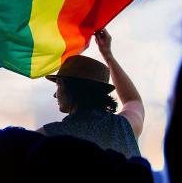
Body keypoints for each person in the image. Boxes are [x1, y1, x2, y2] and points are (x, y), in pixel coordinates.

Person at [39, 29, 144, 158]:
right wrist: (108, 55)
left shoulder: (48, 137)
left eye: (58, 85)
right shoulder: (124, 127)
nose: (55, 95)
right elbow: (133, 101)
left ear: (71, 89)